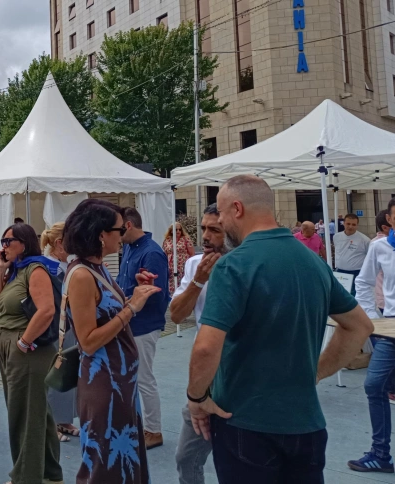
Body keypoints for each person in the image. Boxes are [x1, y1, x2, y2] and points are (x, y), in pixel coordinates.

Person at [187, 175, 373, 483]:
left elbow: (206, 347)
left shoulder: (234, 265)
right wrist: (315, 371)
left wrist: (196, 399)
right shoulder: (312, 262)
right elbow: (359, 327)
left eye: (220, 213)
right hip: (307, 427)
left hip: (247, 425)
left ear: (237, 208)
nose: (218, 221)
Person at [64, 199, 158, 483]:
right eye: (119, 229)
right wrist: (132, 308)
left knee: (123, 465)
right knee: (104, 466)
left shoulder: (98, 268)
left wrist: (134, 295)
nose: (124, 233)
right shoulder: (81, 275)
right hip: (105, 383)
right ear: (101, 234)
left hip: (120, 382)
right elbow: (88, 341)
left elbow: (108, 313)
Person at [0, 222, 63, 484]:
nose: (4, 246)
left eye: (8, 241)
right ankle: (51, 473)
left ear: (24, 242)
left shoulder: (35, 269)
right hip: (10, 342)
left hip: (27, 348)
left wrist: (23, 342)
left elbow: (47, 310)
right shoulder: (15, 270)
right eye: (2, 241)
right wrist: (1, 269)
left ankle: (26, 477)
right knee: (37, 412)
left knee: (24, 415)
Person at [169, 203, 226, 484]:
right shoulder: (195, 264)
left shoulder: (247, 263)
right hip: (206, 373)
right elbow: (177, 314)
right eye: (204, 228)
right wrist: (198, 282)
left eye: (214, 230)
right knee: (186, 456)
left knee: (236, 457)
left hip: (241, 372)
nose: (205, 236)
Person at [116, 206, 170, 449]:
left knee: (144, 378)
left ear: (128, 225)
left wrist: (127, 300)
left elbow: (156, 295)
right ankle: (138, 425)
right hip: (130, 320)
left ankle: (154, 430)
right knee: (130, 376)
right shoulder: (129, 247)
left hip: (144, 324)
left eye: (117, 228)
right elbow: (122, 281)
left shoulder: (152, 253)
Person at [351, 199, 395, 472]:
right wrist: (373, 322)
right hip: (389, 329)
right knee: (374, 385)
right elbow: (363, 283)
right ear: (389, 219)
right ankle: (380, 454)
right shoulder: (380, 247)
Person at [41, 222, 79, 442]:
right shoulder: (48, 266)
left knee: (69, 371)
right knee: (53, 372)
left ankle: (64, 418)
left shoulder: (70, 264)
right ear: (59, 243)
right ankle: (50, 423)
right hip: (55, 326)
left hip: (72, 324)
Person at [333, 213, 371, 295]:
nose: (350, 226)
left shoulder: (365, 240)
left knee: (355, 296)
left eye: (353, 224)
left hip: (356, 273)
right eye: (348, 224)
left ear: (357, 225)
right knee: (341, 295)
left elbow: (370, 257)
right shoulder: (336, 237)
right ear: (344, 223)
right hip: (340, 272)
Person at [162, 222, 195, 294]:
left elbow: (192, 253)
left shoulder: (186, 239)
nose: (178, 231)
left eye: (180, 230)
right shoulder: (167, 240)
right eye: (176, 230)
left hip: (183, 265)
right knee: (172, 284)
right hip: (171, 266)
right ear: (171, 231)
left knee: (183, 283)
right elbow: (164, 253)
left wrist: (190, 266)